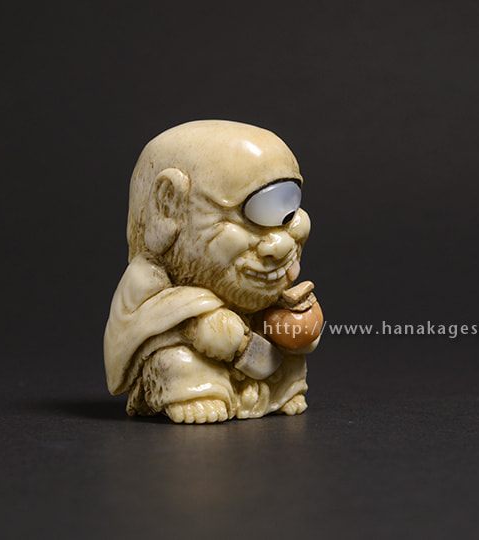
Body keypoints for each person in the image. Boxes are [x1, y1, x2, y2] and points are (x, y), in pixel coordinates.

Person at [104, 120, 319, 423]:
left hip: (257, 359)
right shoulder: (148, 279)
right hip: (196, 356)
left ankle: (278, 392)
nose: (281, 245)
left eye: (288, 213)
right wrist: (202, 323)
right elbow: (132, 330)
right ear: (169, 204)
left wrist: (297, 328)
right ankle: (196, 392)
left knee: (289, 357)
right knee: (179, 361)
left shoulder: (272, 275)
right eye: (256, 213)